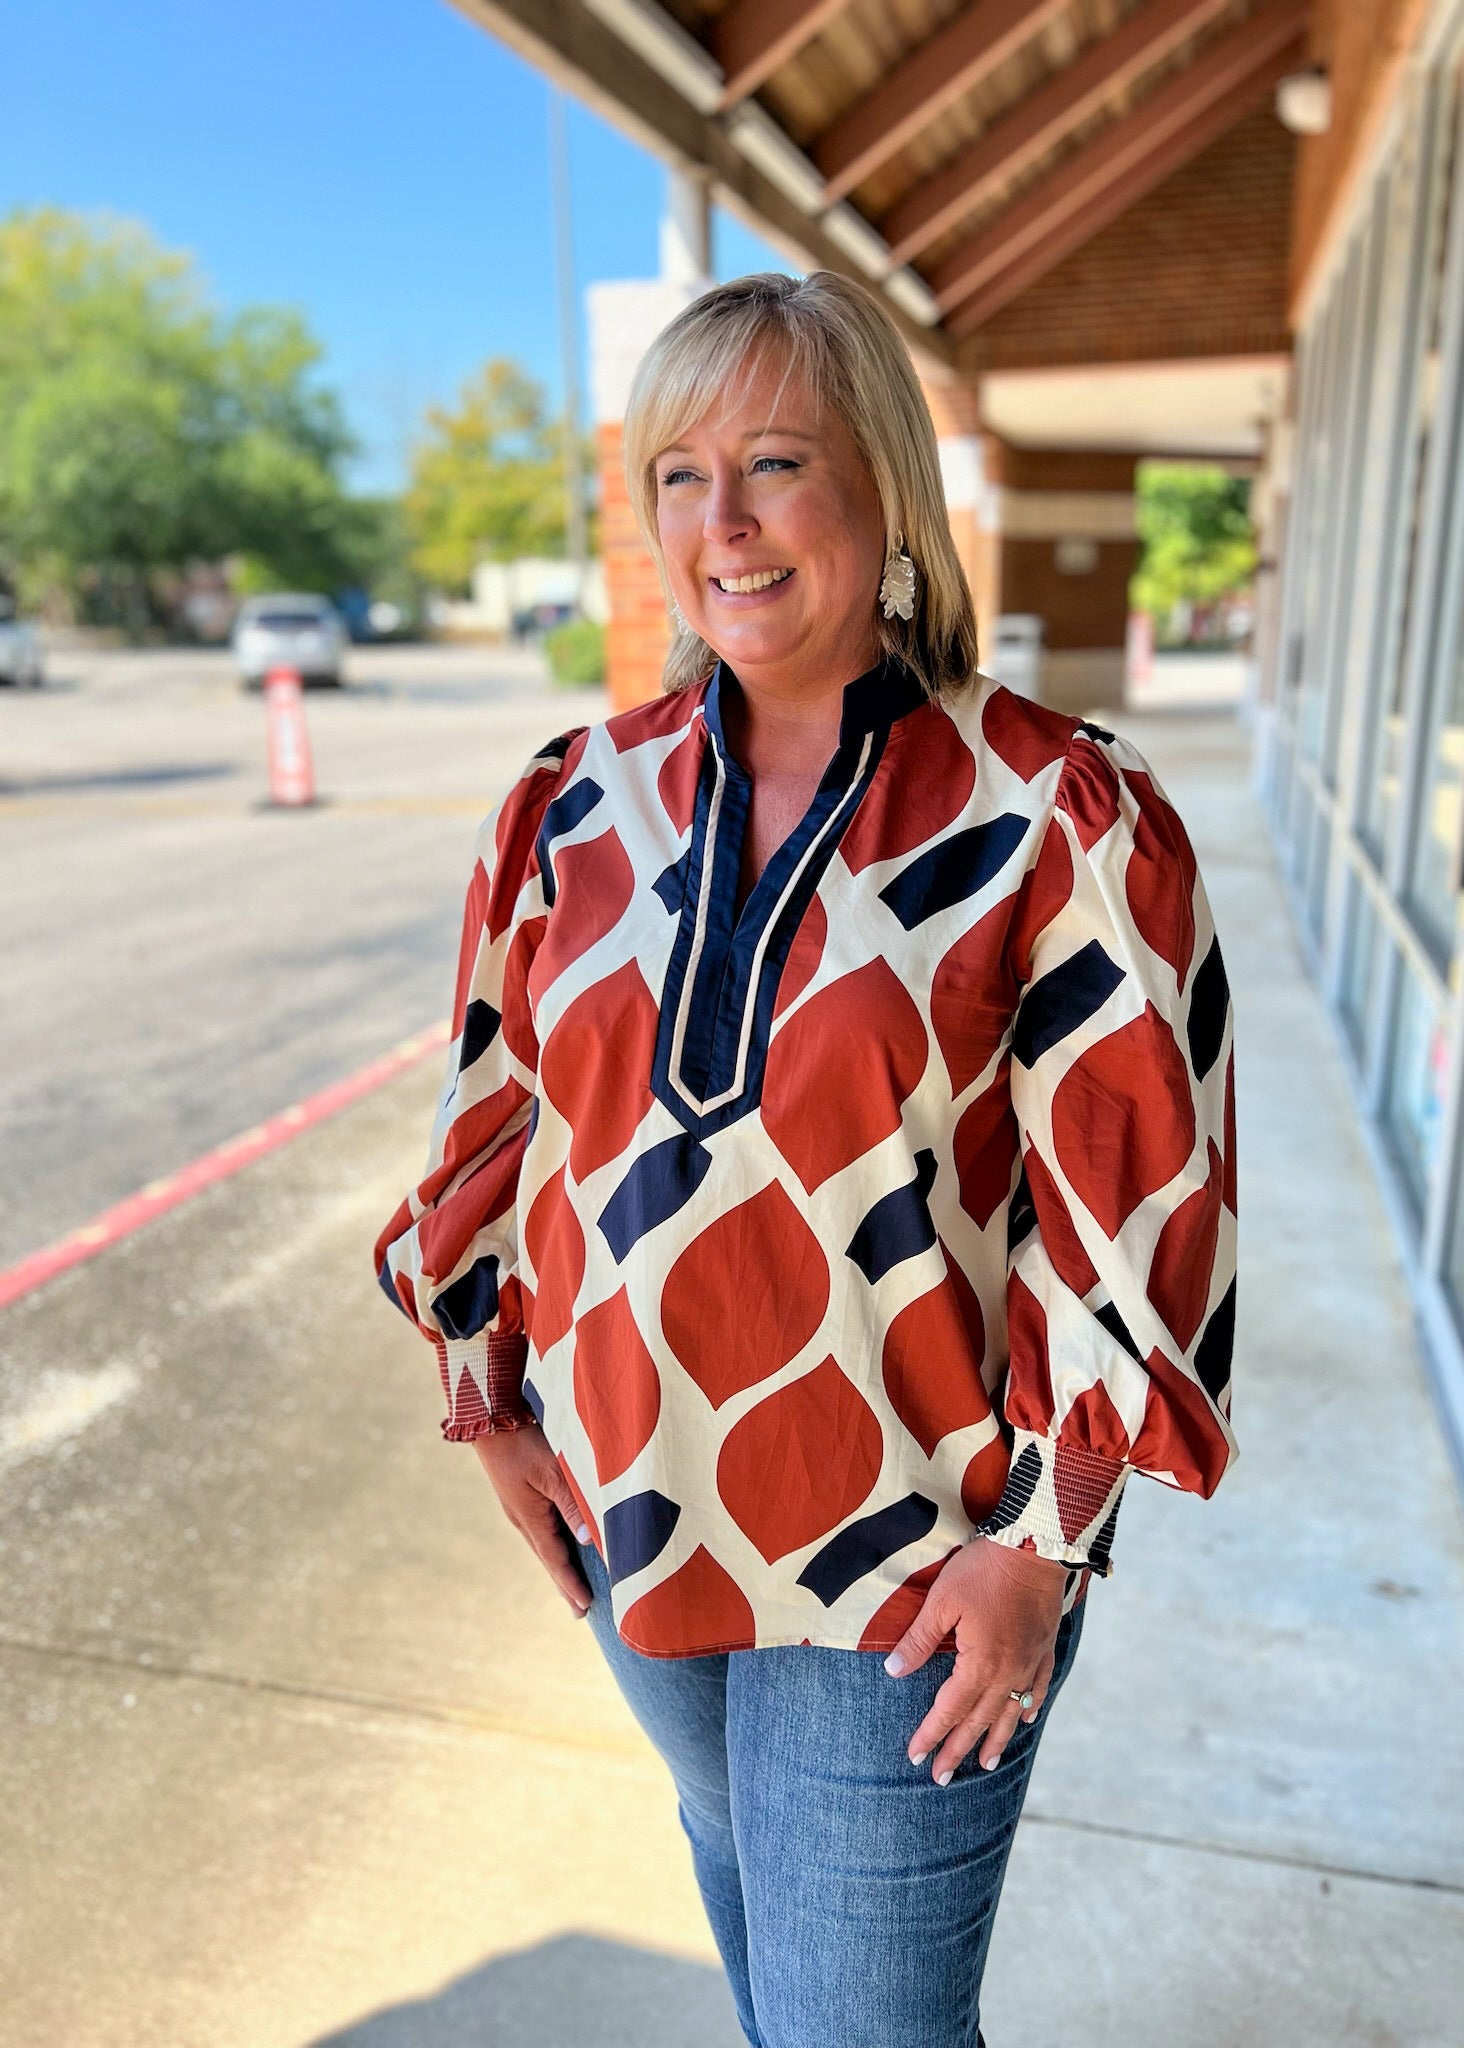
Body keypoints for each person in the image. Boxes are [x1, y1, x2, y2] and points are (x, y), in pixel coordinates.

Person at [374, 270, 1238, 2048]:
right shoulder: (565, 806)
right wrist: (495, 1402)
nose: (728, 524)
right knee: (777, 1973)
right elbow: (496, 1124)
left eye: (775, 462)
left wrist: (1046, 1547)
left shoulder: (1053, 809)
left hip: (916, 1562)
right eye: (680, 476)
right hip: (639, 1519)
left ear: (887, 495)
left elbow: (1137, 1202)